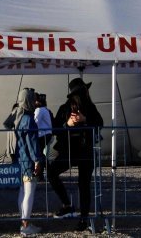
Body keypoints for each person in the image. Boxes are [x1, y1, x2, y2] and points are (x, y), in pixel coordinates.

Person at [48, 78, 103, 232]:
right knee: (52, 172)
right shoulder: (65, 108)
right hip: (69, 149)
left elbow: (100, 123)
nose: (87, 92)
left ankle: (83, 219)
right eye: (84, 90)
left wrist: (85, 120)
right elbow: (55, 129)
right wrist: (68, 124)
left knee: (84, 184)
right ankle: (67, 204)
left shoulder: (90, 108)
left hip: (85, 150)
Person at [11, 88, 43, 236]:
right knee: (29, 192)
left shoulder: (18, 116)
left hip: (21, 158)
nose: (36, 101)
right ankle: (26, 226)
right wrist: (37, 160)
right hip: (29, 160)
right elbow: (32, 143)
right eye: (34, 98)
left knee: (22, 192)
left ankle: (24, 223)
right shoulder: (28, 119)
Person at [34, 93, 54, 168]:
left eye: (35, 101)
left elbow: (36, 122)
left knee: (38, 153)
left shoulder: (39, 110)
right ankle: (45, 169)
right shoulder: (45, 110)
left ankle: (47, 169)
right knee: (40, 153)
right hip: (47, 134)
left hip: (43, 134)